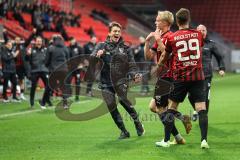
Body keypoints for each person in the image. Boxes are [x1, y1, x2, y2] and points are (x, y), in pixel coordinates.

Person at [157, 8, 209, 149]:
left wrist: (159, 65)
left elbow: (165, 56)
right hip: (198, 76)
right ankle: (204, 140)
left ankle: (167, 140)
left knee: (171, 108)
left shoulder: (173, 38)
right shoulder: (198, 35)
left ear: (177, 21)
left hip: (180, 77)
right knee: (201, 109)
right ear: (188, 20)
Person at [91, 22, 145, 139]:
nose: (117, 33)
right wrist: (97, 56)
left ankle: (137, 122)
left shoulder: (125, 48)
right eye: (114, 31)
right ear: (109, 32)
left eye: (119, 31)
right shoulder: (100, 46)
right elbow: (91, 59)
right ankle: (124, 131)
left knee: (124, 102)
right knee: (111, 106)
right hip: (105, 82)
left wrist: (134, 74)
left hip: (121, 81)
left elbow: (132, 65)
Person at [144, 10, 190, 145]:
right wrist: (147, 42)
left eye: (157, 20)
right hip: (163, 77)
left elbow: (167, 54)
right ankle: (179, 131)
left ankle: (170, 138)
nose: (155, 22)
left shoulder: (170, 36)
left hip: (168, 76)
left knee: (159, 108)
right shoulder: (161, 36)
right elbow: (148, 57)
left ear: (164, 23)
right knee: (155, 107)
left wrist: (157, 39)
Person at [189, 24, 225, 121]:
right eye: (199, 30)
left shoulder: (211, 44)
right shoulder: (191, 43)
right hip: (193, 75)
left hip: (206, 75)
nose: (201, 32)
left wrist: (221, 68)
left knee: (205, 96)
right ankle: (197, 110)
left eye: (203, 30)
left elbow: (219, 57)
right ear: (196, 31)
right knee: (190, 96)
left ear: (206, 31)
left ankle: (203, 116)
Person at [26, 36, 52, 109]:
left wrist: (48, 68)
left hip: (44, 70)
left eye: (40, 41)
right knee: (33, 87)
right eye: (37, 41)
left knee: (48, 86)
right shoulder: (31, 49)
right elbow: (27, 60)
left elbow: (49, 60)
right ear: (35, 41)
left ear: (42, 42)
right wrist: (28, 54)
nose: (39, 42)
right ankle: (31, 102)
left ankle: (46, 100)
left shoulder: (46, 49)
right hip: (35, 70)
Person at [46, 35, 70, 109]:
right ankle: (65, 104)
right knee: (63, 87)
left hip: (54, 69)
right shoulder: (65, 48)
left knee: (50, 85)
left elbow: (47, 60)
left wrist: (47, 66)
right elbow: (68, 59)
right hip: (63, 69)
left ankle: (47, 100)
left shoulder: (51, 48)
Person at [68, 37, 84, 101]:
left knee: (77, 83)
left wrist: (81, 64)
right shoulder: (67, 48)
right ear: (69, 41)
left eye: (73, 40)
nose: (72, 41)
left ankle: (77, 97)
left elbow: (82, 56)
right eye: (71, 40)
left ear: (75, 40)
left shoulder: (79, 47)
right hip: (70, 68)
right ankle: (69, 94)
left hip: (78, 68)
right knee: (68, 81)